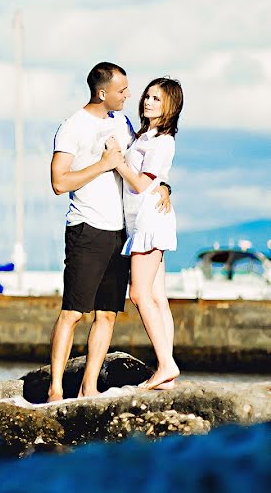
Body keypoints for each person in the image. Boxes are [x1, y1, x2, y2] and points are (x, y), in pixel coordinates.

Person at [48, 62, 171, 402]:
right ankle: (56, 388)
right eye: (122, 91)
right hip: (87, 228)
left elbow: (140, 169)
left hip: (121, 232)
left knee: (107, 314)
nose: (129, 96)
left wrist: (164, 187)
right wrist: (102, 164)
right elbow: (59, 182)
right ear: (103, 93)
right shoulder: (72, 127)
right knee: (73, 312)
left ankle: (89, 387)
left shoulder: (123, 122)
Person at [108, 77, 183, 390]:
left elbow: (141, 183)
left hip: (151, 221)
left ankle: (166, 365)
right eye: (147, 96)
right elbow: (156, 181)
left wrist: (116, 159)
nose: (148, 102)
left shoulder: (162, 141)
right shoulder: (145, 135)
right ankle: (167, 366)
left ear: (170, 106)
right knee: (157, 297)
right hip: (143, 219)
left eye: (156, 99)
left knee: (139, 293)